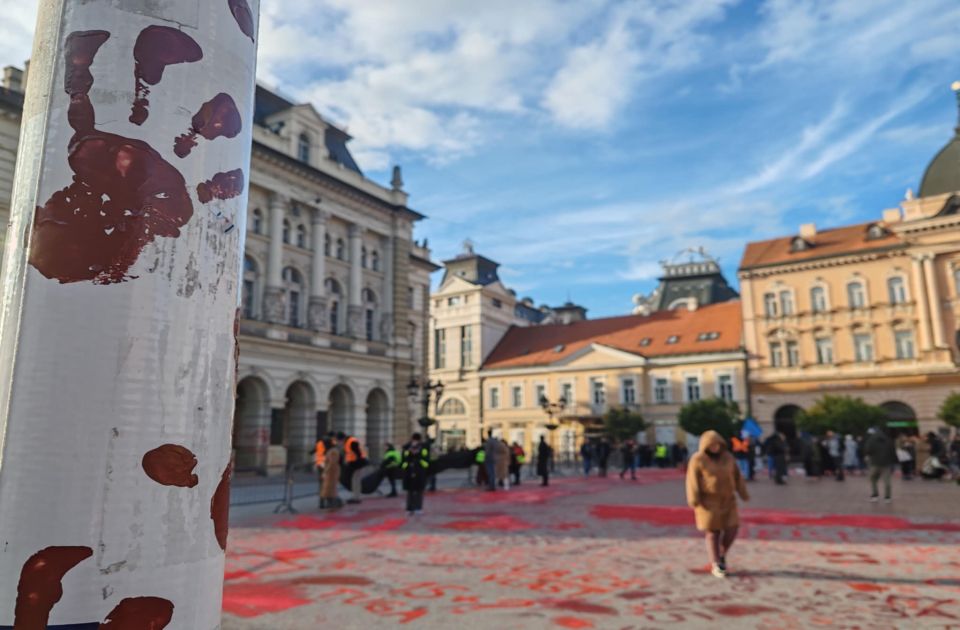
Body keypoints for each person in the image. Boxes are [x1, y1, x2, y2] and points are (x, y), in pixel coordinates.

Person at [686, 430, 750, 579]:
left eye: (717, 444)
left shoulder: (728, 458)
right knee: (713, 533)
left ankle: (721, 554)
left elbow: (737, 476)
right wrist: (694, 498)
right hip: (708, 502)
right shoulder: (698, 459)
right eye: (711, 445)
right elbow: (692, 481)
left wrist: (743, 493)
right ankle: (716, 564)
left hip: (728, 500)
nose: (715, 447)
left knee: (732, 529)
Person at [401, 432, 431, 516]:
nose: (415, 442)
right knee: (410, 492)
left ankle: (418, 508)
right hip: (409, 472)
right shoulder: (407, 448)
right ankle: (409, 508)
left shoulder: (423, 448)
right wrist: (409, 453)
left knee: (419, 491)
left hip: (419, 472)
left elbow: (426, 460)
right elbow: (404, 460)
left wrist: (418, 456)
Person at [864, 427, 896, 502]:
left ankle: (875, 495)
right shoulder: (888, 440)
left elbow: (868, 450)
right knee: (887, 481)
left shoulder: (871, 440)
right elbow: (892, 451)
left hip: (875, 463)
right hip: (886, 463)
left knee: (873, 479)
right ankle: (887, 497)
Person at [339, 432, 368, 505]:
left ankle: (356, 498)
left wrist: (357, 463)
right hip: (356, 464)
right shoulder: (349, 441)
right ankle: (356, 497)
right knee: (355, 480)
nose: (339, 442)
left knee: (355, 480)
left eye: (339, 440)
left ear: (342, 439)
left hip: (357, 464)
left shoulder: (351, 442)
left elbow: (358, 453)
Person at [320, 435, 341, 509]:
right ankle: (332, 503)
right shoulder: (331, 450)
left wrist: (325, 471)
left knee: (330, 489)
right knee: (328, 489)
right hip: (331, 472)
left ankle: (334, 503)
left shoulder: (333, 451)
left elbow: (332, 463)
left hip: (332, 472)